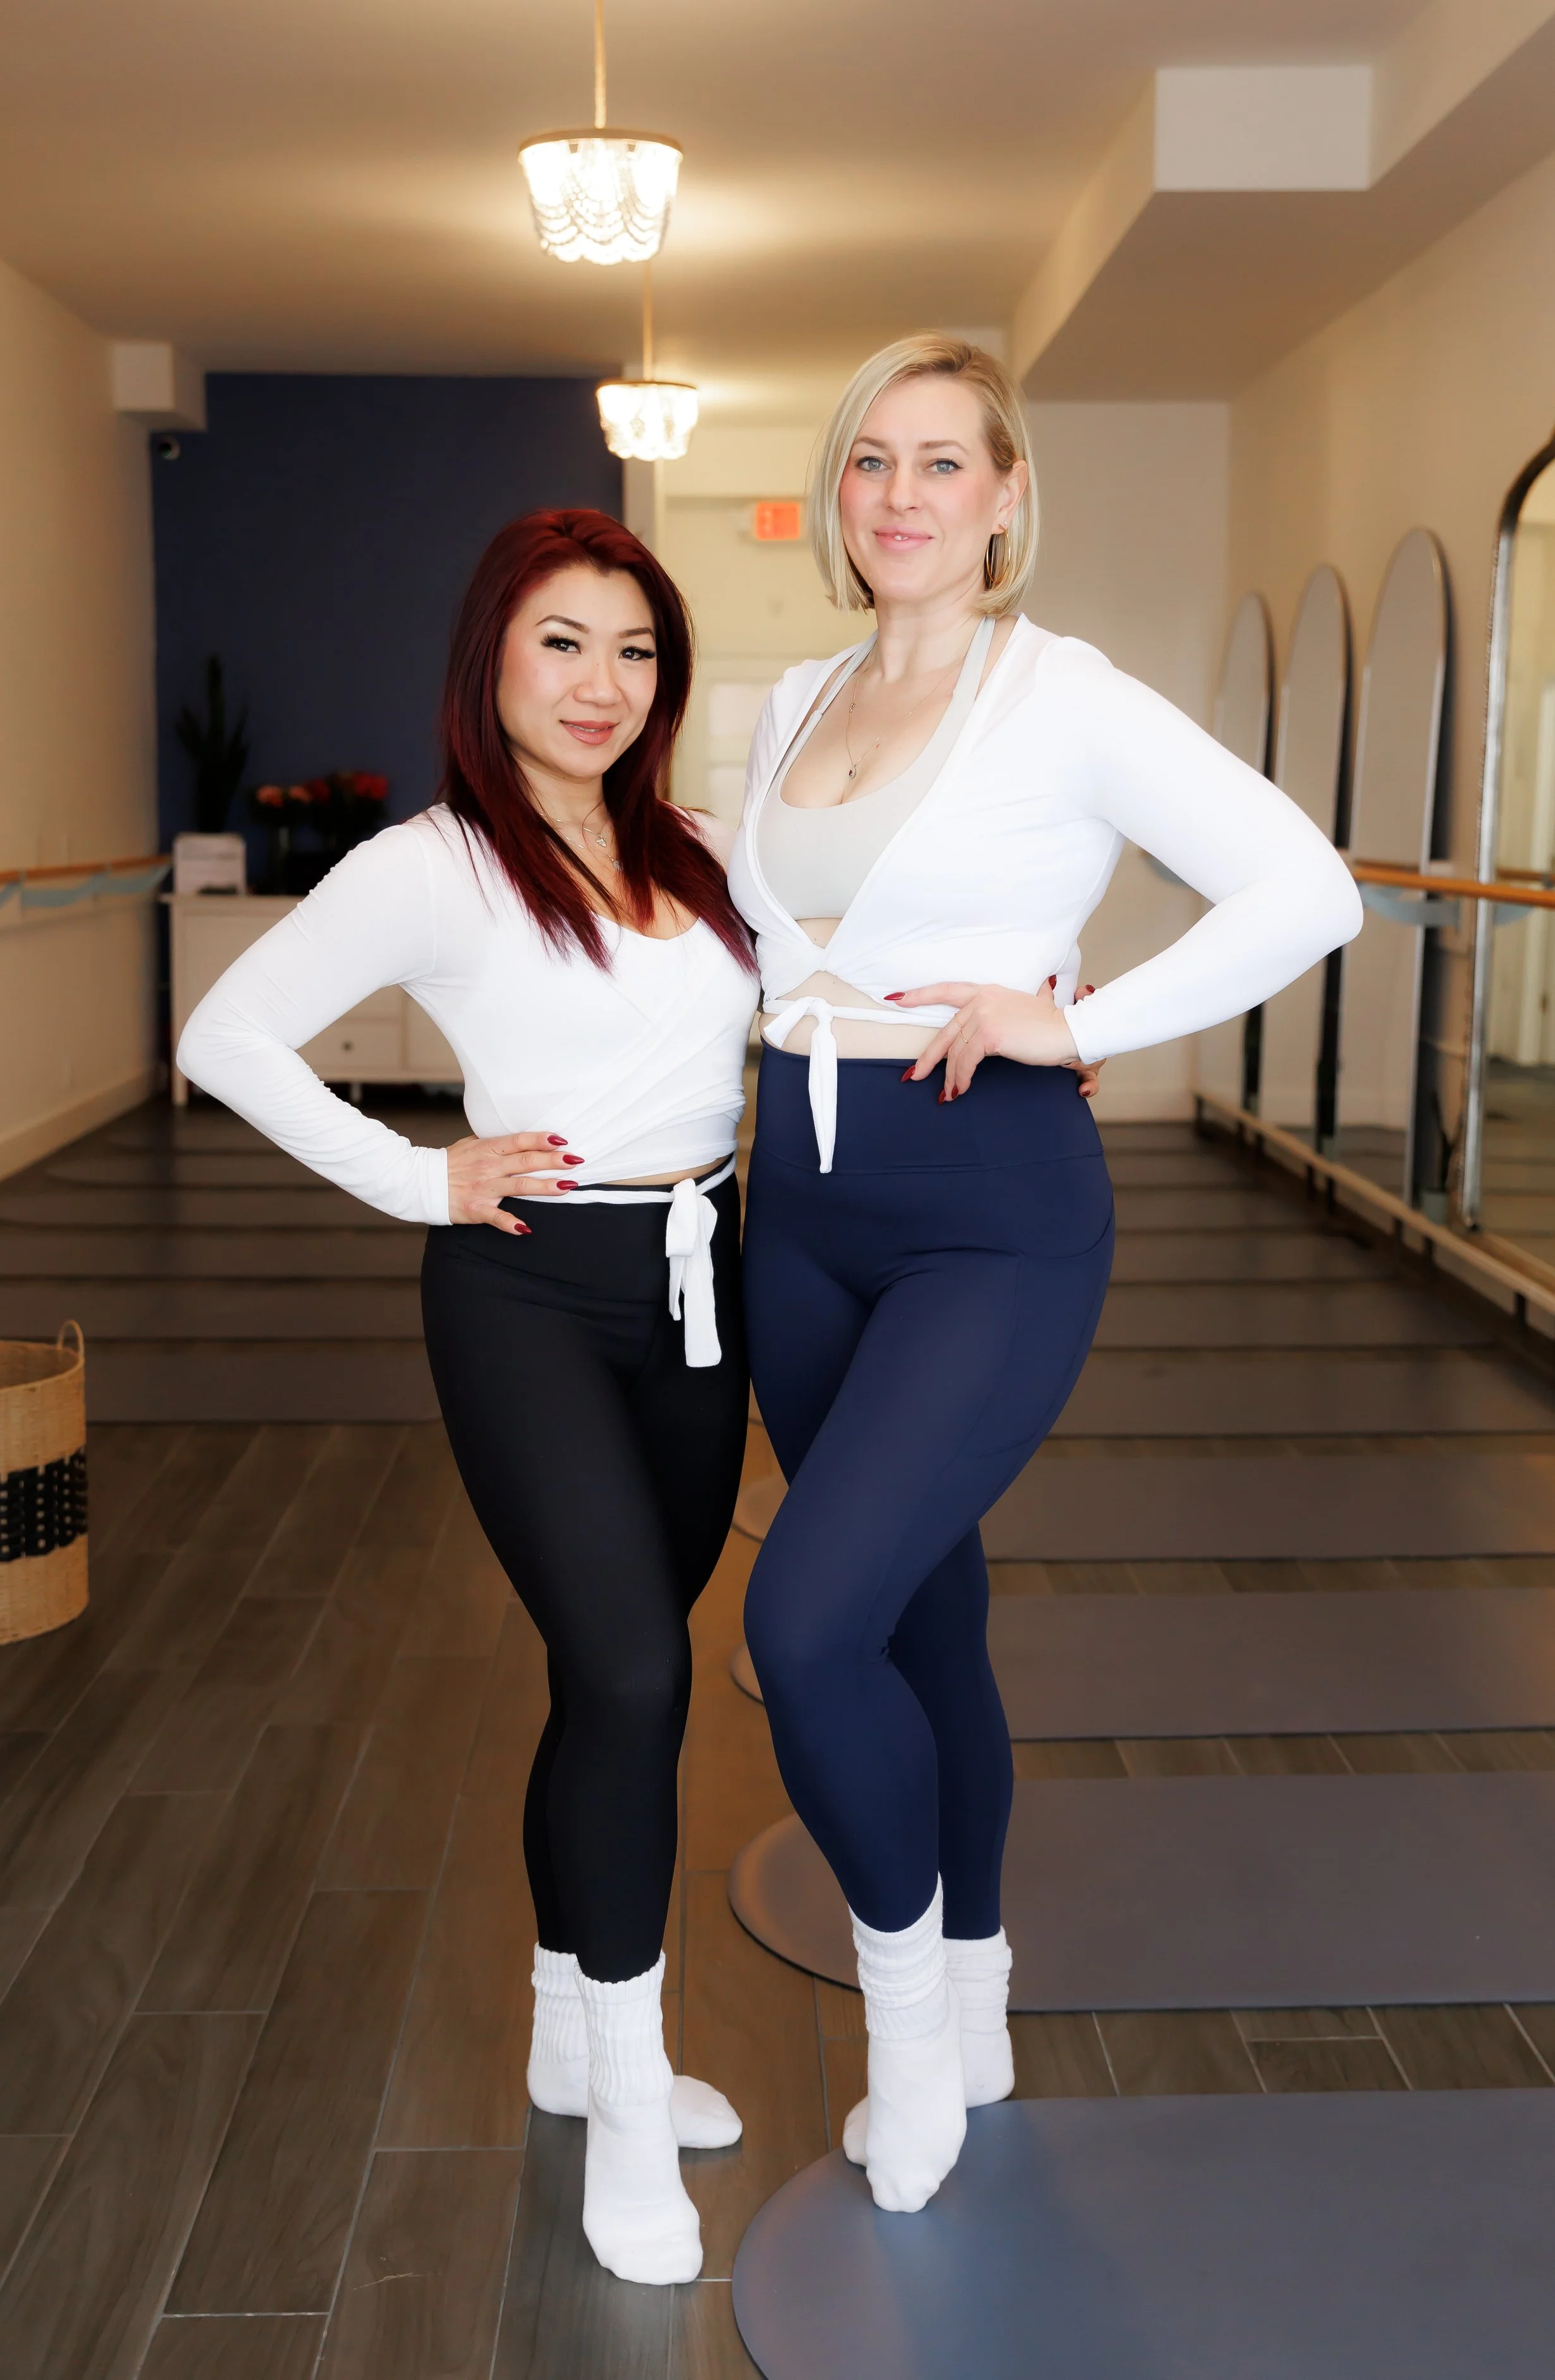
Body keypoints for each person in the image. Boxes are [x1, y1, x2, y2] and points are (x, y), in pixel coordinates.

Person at [730, 336, 1361, 2216]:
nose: (901, 495)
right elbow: (767, 950)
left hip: (989, 1208)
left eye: (941, 463)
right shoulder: (789, 700)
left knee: (803, 1624)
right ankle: (984, 1987)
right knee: (922, 1625)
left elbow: (1302, 888)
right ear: (839, 498)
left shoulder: (1062, 694)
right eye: (869, 463)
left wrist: (1075, 1016)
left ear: (1006, 496)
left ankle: (912, 2018)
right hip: (801, 1204)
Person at [178, 508, 759, 2287]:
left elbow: (798, 1014)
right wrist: (419, 1179)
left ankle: (563, 2023)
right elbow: (222, 1035)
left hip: (697, 1279)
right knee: (637, 1670)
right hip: (522, 1283)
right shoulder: (434, 861)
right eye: (562, 642)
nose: (600, 683)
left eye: (634, 648)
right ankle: (630, 2088)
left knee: (618, 1677)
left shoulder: (703, 847)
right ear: (493, 659)